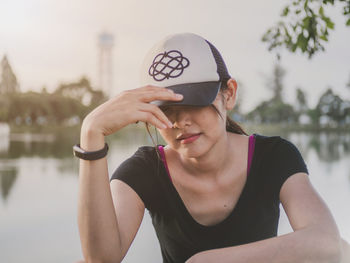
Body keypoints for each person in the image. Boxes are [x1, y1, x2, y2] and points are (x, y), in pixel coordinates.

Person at [75, 33, 350, 263]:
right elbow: (101, 259)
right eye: (166, 109)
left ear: (228, 93)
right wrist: (91, 134)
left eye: (194, 102)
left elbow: (327, 243)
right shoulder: (146, 170)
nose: (181, 121)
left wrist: (206, 260)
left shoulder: (273, 157)